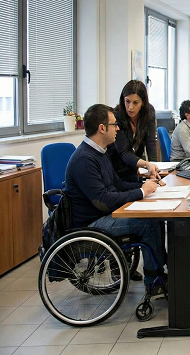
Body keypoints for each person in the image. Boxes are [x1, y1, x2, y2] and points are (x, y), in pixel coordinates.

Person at [64, 104, 167, 296]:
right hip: (91, 224)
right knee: (148, 224)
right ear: (102, 128)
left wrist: (146, 186)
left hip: (104, 215)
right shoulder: (84, 159)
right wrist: (141, 193)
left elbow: (118, 185)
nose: (118, 128)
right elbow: (102, 200)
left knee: (156, 217)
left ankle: (160, 272)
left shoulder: (99, 152)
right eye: (114, 124)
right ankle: (154, 282)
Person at [107, 80, 161, 183]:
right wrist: (147, 164)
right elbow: (123, 152)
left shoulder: (149, 112)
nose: (130, 107)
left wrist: (154, 169)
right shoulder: (117, 115)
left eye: (135, 103)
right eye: (127, 101)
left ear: (143, 102)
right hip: (116, 170)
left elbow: (151, 143)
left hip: (134, 169)